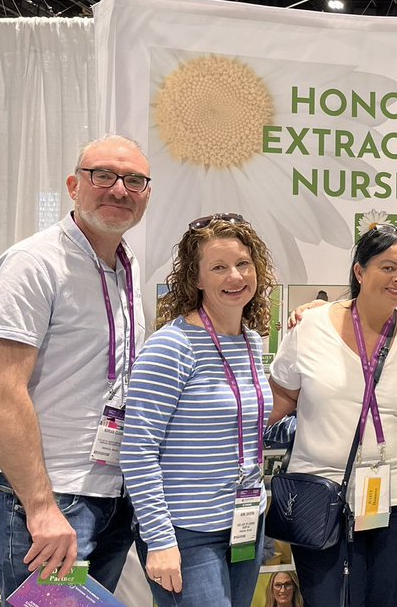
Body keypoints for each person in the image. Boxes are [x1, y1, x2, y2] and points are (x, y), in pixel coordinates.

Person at [0, 135, 151, 597]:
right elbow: (0, 390)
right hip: (48, 502)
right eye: (104, 175)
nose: (119, 189)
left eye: (134, 180)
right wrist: (40, 507)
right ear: (74, 185)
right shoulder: (33, 263)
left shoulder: (126, 264)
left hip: (109, 497)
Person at [269, 224, 397, 606]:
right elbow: (281, 396)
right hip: (321, 496)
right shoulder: (310, 326)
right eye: (388, 267)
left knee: (384, 600)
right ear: (359, 271)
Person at [121, 213, 277, 606]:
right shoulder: (171, 347)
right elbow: (137, 451)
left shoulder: (251, 342)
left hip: (244, 523)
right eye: (219, 267)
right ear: (195, 279)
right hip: (187, 533)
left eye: (244, 264)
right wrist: (159, 541)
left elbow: (244, 429)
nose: (236, 277)